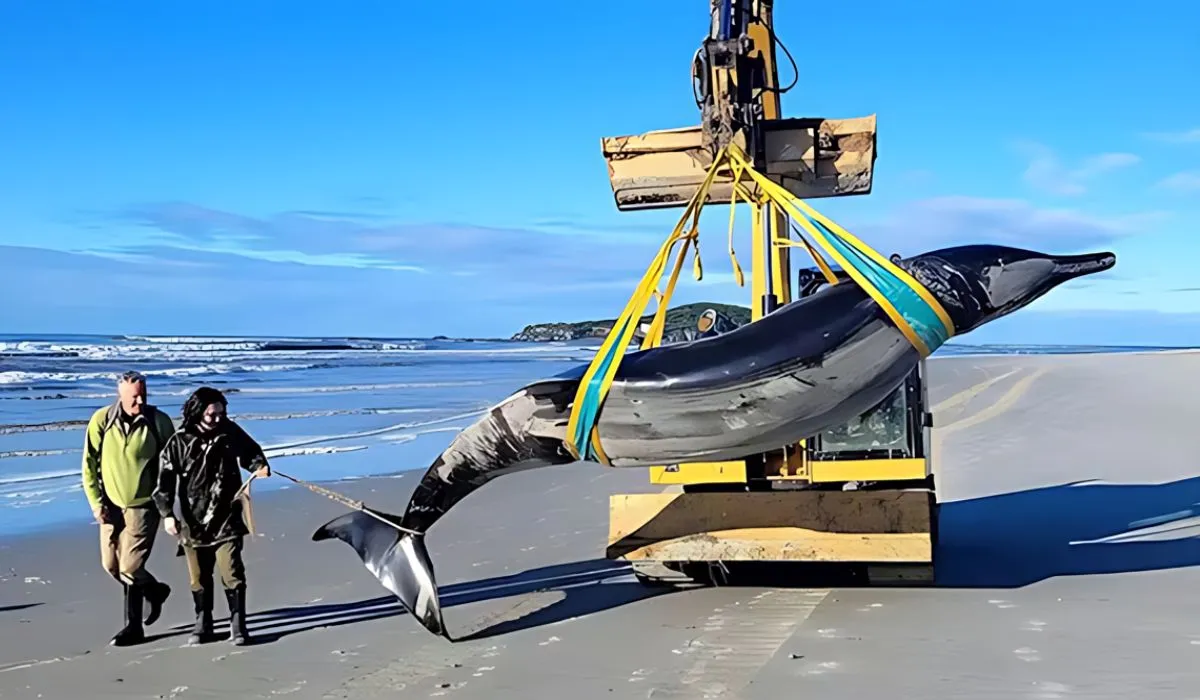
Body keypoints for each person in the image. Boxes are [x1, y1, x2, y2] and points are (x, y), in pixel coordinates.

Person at [153, 386, 271, 646]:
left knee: (231, 571)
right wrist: (167, 515)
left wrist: (259, 466)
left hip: (227, 515)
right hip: (193, 521)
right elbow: (164, 482)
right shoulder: (179, 441)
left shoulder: (230, 432)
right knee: (198, 576)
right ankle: (203, 622)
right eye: (212, 414)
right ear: (197, 413)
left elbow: (251, 452)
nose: (218, 418)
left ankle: (238, 625)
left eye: (221, 413)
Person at [81, 370, 176, 647]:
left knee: (131, 567)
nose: (140, 401)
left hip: (143, 506)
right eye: (134, 397)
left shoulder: (158, 422)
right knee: (111, 566)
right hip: (110, 507)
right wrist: (96, 503)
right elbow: (89, 464)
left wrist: (168, 507)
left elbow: (172, 466)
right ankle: (155, 591)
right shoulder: (102, 420)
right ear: (119, 395)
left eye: (143, 395)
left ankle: (133, 627)